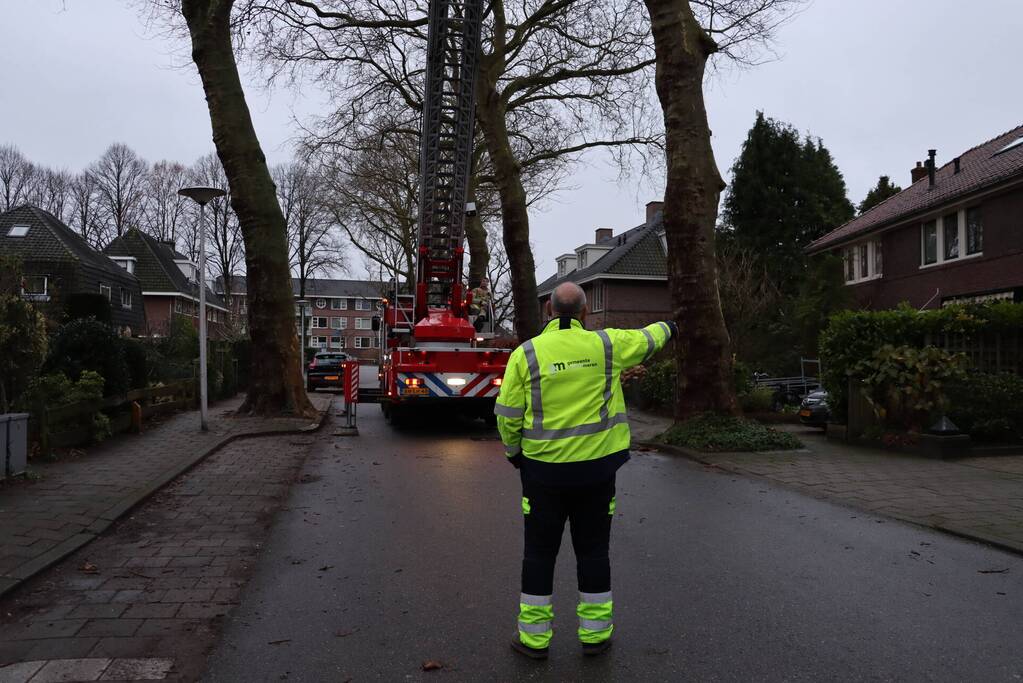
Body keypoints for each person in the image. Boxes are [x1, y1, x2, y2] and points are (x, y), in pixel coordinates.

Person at [494, 282, 676, 660]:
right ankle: (595, 636)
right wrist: (676, 325)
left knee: (539, 554)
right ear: (584, 314)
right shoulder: (606, 345)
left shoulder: (526, 354)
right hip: (597, 472)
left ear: (548, 311)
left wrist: (515, 454)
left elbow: (508, 415)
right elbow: (649, 338)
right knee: (593, 552)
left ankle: (533, 640)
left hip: (543, 473)